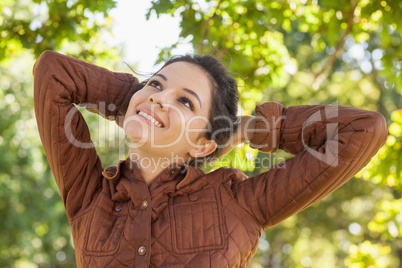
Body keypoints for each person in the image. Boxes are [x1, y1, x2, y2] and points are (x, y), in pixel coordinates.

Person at [33, 50, 387, 267]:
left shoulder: (239, 204)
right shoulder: (90, 196)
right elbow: (53, 73)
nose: (160, 98)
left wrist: (251, 128)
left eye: (185, 102)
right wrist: (136, 101)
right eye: (156, 83)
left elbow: (364, 131)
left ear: (203, 145)